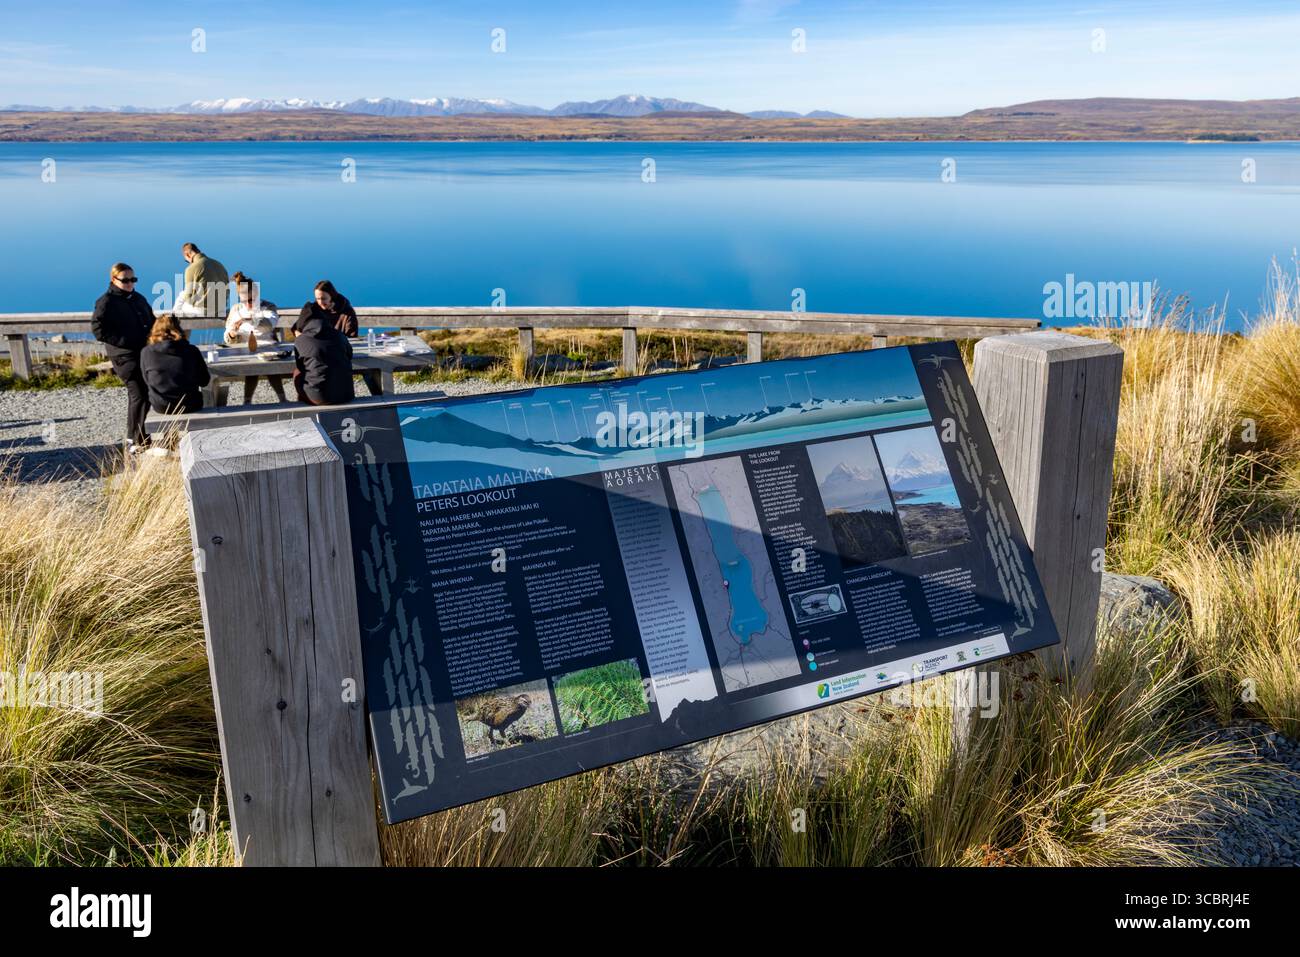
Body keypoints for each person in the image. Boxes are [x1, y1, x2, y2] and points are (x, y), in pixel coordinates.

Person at [91, 262, 154, 451]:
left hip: (143, 353)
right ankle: (136, 440)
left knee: (144, 394)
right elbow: (98, 330)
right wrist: (125, 341)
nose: (130, 283)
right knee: (139, 394)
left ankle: (136, 436)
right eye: (125, 280)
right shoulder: (106, 302)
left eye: (133, 279)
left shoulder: (138, 298)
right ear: (113, 279)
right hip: (124, 357)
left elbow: (152, 321)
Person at [140, 314, 211, 414]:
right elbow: (204, 381)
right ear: (179, 329)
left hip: (162, 406)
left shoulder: (146, 352)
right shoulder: (192, 351)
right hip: (190, 405)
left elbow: (146, 380)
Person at [292, 312, 355, 406]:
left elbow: (301, 366)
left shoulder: (301, 340)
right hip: (347, 395)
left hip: (319, 398)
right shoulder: (340, 335)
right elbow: (349, 355)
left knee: (297, 372)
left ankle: (303, 402)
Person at [174, 242, 230, 319]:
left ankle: (173, 322)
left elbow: (189, 298)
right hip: (220, 309)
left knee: (181, 297)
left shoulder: (191, 268)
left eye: (187, 261)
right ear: (198, 251)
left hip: (202, 311)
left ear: (187, 255)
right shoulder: (219, 265)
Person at [224, 272, 280, 346]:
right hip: (243, 349)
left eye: (250, 300)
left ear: (256, 294)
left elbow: (269, 325)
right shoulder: (235, 309)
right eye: (244, 301)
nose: (248, 304)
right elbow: (227, 337)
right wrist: (232, 335)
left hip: (268, 347)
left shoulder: (268, 306)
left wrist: (248, 320)